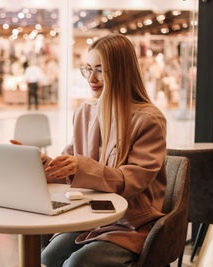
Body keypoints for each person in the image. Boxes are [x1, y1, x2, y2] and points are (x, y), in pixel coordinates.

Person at [40, 34, 167, 267]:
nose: (91, 78)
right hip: (90, 216)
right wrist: (42, 163)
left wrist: (81, 167)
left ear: (121, 71)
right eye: (87, 69)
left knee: (76, 264)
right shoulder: (84, 113)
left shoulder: (148, 119)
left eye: (100, 70)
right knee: (48, 256)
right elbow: (68, 164)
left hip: (130, 224)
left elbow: (132, 181)